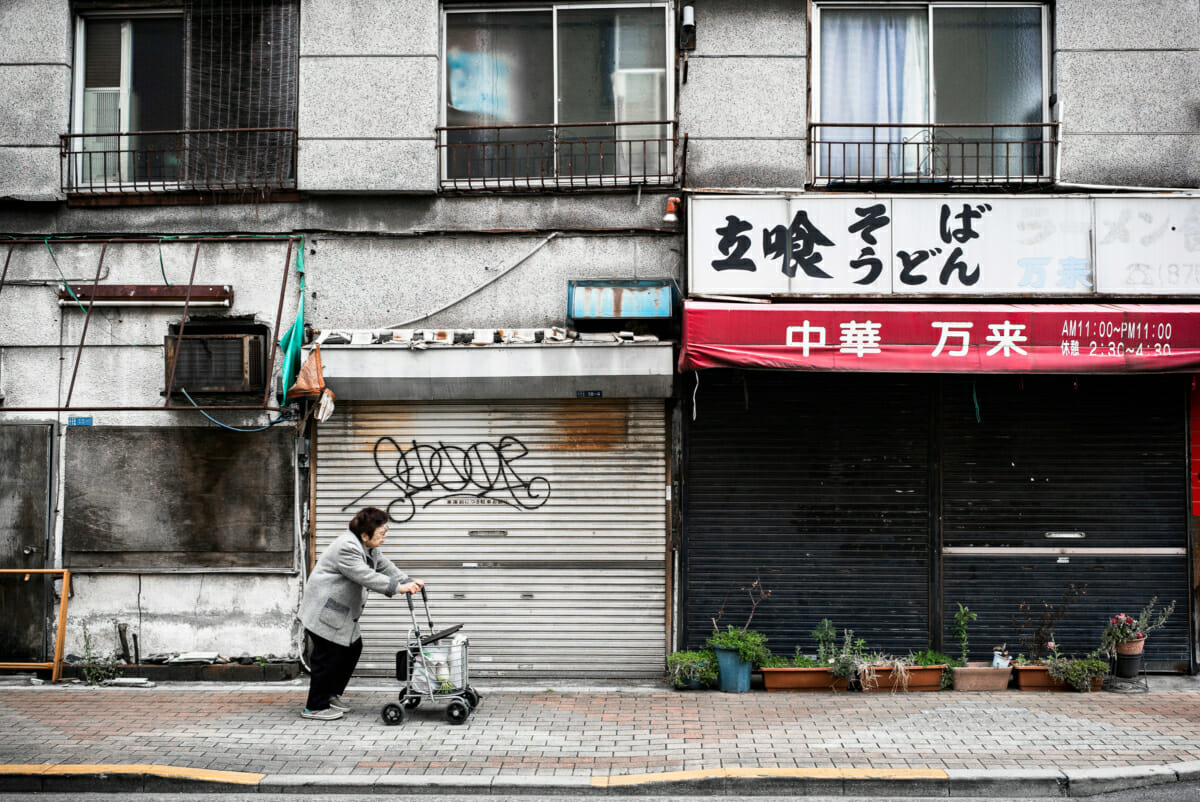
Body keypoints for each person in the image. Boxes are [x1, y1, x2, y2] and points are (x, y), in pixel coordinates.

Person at [298, 506, 422, 720]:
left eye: (386, 531)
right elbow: (364, 575)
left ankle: (330, 694)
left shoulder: (368, 546)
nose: (384, 536)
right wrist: (396, 588)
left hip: (340, 613)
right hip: (323, 612)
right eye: (381, 533)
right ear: (365, 534)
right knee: (327, 658)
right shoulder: (347, 547)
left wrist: (407, 580)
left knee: (352, 649)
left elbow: (383, 566)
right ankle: (315, 707)